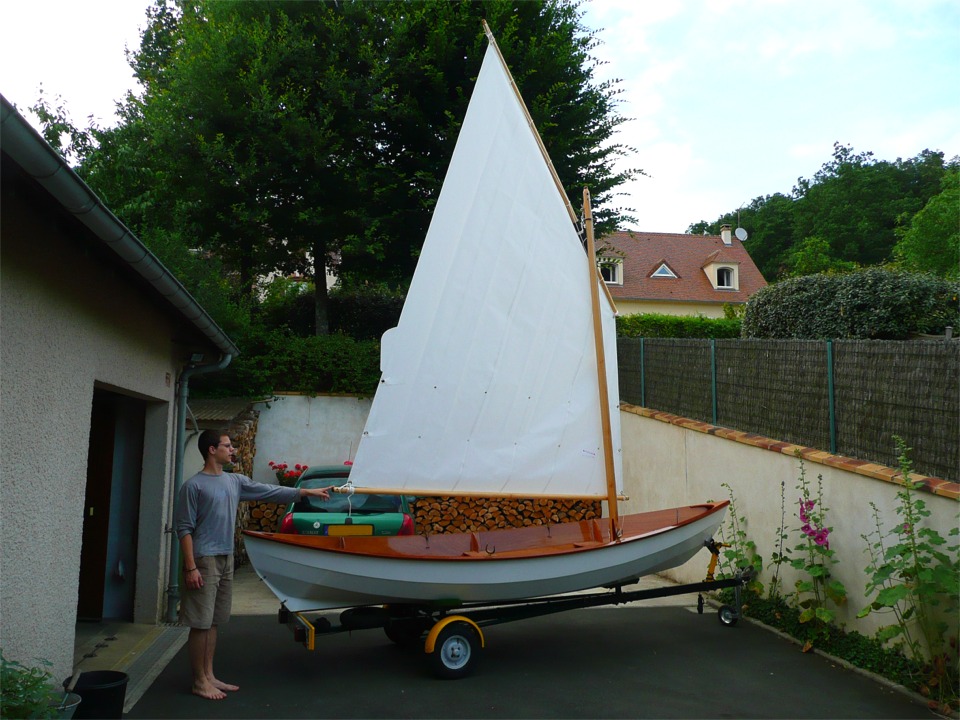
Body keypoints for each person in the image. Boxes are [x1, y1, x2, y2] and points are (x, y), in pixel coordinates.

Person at [174, 428, 332, 700]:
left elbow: (270, 492)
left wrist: (307, 492)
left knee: (213, 621)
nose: (232, 449)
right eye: (227, 445)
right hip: (203, 559)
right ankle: (199, 681)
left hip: (225, 558)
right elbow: (184, 529)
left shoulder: (234, 481)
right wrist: (190, 567)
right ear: (212, 449)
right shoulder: (193, 486)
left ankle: (209, 675)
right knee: (200, 622)